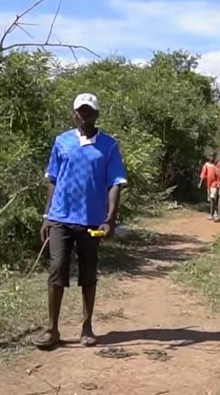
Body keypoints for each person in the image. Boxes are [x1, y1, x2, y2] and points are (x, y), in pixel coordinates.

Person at [34, 93, 128, 349]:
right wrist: (46, 216)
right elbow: (52, 179)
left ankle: (87, 327)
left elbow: (115, 184)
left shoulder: (108, 146)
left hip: (92, 221)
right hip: (60, 218)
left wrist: (110, 219)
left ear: (96, 115)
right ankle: (52, 329)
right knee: (57, 268)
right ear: (74, 113)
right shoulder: (62, 141)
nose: (83, 116)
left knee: (88, 273)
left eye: (88, 112)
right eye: (80, 111)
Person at [199, 152, 220, 220]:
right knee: (211, 199)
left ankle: (211, 214)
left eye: (213, 156)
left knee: (212, 198)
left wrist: (219, 183)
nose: (212, 158)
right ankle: (216, 212)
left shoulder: (217, 165)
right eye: (211, 156)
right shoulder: (206, 165)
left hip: (215, 184)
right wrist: (200, 183)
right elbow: (203, 174)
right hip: (209, 185)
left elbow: (219, 175)